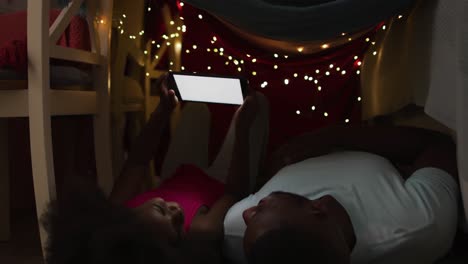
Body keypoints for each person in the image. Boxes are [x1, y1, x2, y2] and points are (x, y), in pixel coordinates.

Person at [41, 73, 269, 264]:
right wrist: (242, 129)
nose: (177, 212)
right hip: (221, 180)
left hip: (179, 172)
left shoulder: (119, 209)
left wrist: (163, 111)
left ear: (127, 219)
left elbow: (138, 161)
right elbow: (233, 192)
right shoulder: (202, 230)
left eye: (163, 211)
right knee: (258, 102)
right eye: (178, 227)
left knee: (196, 109)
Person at [223, 124, 459, 264]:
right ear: (318, 208)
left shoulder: (238, 234)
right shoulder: (420, 223)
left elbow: (242, 195)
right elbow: (438, 145)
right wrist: (332, 136)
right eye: (261, 209)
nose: (247, 212)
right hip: (372, 133)